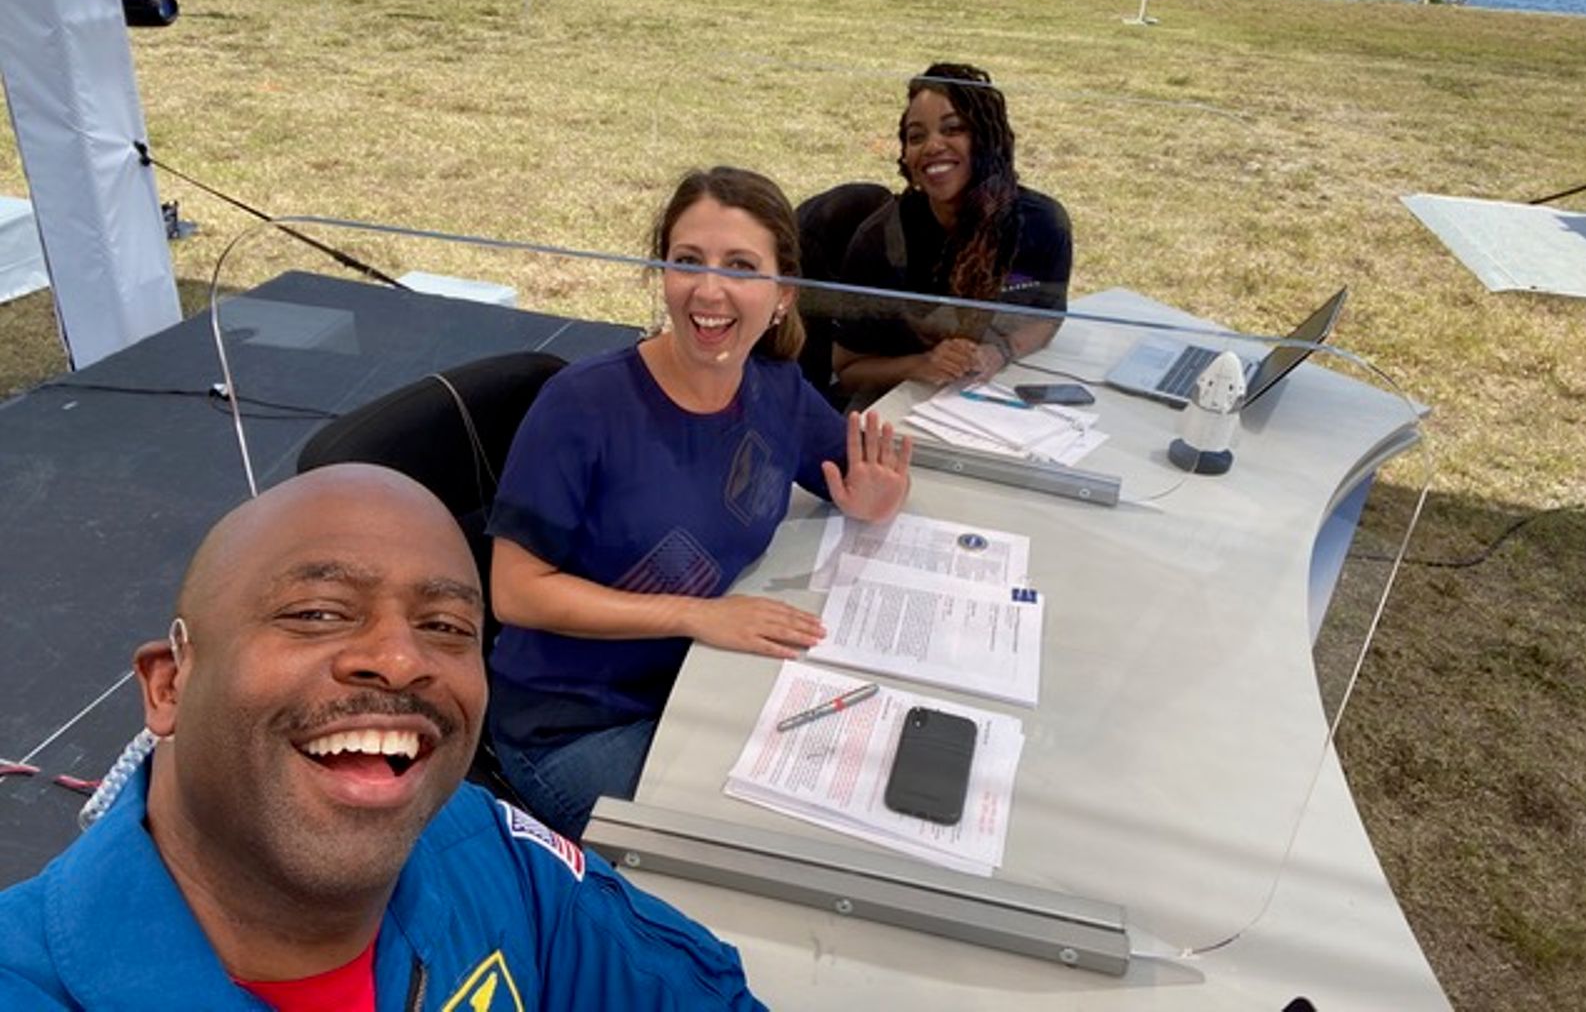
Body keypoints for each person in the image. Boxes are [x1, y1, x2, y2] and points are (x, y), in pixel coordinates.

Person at [0, 464, 765, 1010]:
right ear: (169, 685)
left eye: (445, 627)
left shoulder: (488, 852)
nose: (402, 661)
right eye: (318, 613)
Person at [487, 167, 912, 840]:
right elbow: (514, 593)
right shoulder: (582, 406)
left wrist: (873, 499)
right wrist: (699, 615)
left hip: (699, 679)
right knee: (743, 853)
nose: (709, 290)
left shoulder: (777, 391)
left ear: (782, 294)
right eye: (688, 263)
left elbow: (856, 473)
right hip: (573, 724)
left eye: (741, 267)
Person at [821, 62, 1073, 404]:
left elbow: (1048, 316)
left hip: (986, 405)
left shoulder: (1042, 224)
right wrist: (920, 364)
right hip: (894, 411)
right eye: (916, 136)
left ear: (987, 140)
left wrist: (999, 352)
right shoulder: (880, 241)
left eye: (953, 129)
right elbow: (848, 369)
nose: (932, 146)